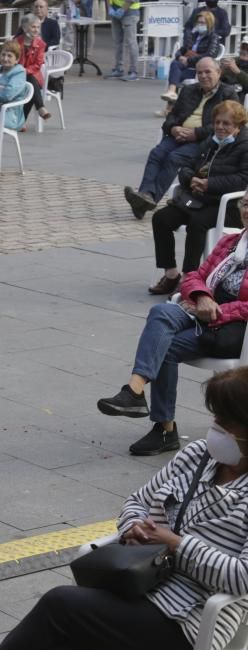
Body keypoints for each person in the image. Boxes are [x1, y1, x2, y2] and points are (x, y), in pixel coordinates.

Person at [0, 365, 248, 650]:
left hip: (186, 622)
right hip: (137, 588)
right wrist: (134, 527)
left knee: (59, 605)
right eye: (214, 418)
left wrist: (175, 543)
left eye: (225, 423)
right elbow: (137, 501)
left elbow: (242, 577)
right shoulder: (197, 455)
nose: (215, 429)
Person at [97, 205, 248, 455]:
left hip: (234, 329)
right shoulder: (230, 242)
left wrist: (216, 312)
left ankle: (143, 405)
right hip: (202, 310)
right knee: (160, 314)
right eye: (245, 204)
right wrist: (201, 297)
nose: (247, 211)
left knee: (165, 345)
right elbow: (194, 277)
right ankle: (150, 410)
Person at [147, 101, 248, 296]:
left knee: (197, 223)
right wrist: (190, 179)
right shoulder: (211, 141)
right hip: (197, 199)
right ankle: (171, 274)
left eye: (226, 124)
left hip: (226, 206)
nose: (220, 127)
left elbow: (242, 180)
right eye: (217, 122)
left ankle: (189, 279)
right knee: (161, 218)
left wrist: (210, 184)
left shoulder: (245, 146)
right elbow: (187, 165)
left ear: (237, 126)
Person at [124, 58, 237, 220]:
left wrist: (195, 133)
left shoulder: (227, 94)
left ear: (218, 73)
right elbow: (172, 116)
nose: (203, 76)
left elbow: (226, 125)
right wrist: (173, 128)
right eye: (199, 72)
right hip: (178, 134)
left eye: (208, 72)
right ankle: (145, 196)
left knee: (174, 158)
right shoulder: (189, 90)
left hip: (203, 140)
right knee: (157, 153)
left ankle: (147, 199)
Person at [161, 11, 222, 104]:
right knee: (175, 65)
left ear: (209, 24)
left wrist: (189, 59)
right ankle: (171, 94)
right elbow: (183, 49)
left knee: (175, 74)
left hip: (198, 67)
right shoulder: (194, 35)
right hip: (187, 64)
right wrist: (179, 56)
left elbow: (210, 54)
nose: (200, 25)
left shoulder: (214, 37)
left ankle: (170, 102)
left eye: (202, 23)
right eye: (198, 22)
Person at [14, 14, 52, 123]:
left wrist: (25, 71)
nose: (36, 30)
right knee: (29, 85)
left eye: (38, 27)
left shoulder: (41, 44)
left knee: (30, 81)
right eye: (33, 27)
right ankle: (39, 108)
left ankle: (21, 121)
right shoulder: (16, 42)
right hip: (17, 76)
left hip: (34, 76)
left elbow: (37, 65)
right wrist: (21, 71)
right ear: (25, 28)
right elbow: (13, 62)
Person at [105, 0, 140, 82]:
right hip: (115, 9)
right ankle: (118, 68)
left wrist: (122, 10)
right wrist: (110, 8)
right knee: (117, 41)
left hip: (130, 11)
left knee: (131, 42)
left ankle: (133, 71)